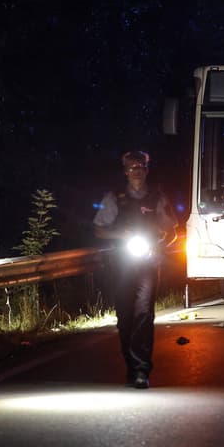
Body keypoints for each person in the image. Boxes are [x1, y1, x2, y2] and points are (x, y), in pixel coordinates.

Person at [93, 150, 177, 389]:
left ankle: (141, 370)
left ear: (147, 169)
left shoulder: (157, 197)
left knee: (143, 313)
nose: (137, 171)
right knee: (125, 318)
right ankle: (131, 366)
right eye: (132, 167)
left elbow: (171, 230)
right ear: (125, 171)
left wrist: (159, 246)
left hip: (148, 263)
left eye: (141, 166)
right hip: (121, 264)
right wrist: (122, 234)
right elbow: (98, 229)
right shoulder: (114, 198)